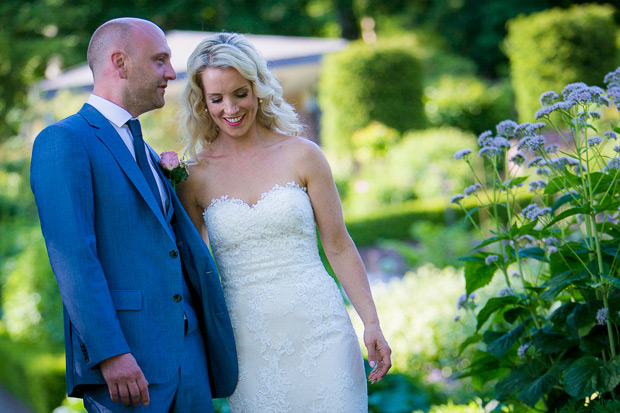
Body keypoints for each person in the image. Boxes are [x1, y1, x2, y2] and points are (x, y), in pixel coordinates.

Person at [30, 18, 237, 412]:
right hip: (130, 368)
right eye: (160, 61)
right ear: (120, 63)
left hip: (189, 363)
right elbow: (73, 257)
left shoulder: (143, 146)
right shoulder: (64, 141)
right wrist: (110, 355)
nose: (171, 74)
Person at [177, 32, 391, 412]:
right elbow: (192, 272)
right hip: (247, 344)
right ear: (202, 102)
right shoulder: (194, 177)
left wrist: (370, 322)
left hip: (322, 332)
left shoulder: (302, 155)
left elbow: (338, 244)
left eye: (240, 93)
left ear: (257, 89)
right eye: (217, 98)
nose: (230, 108)